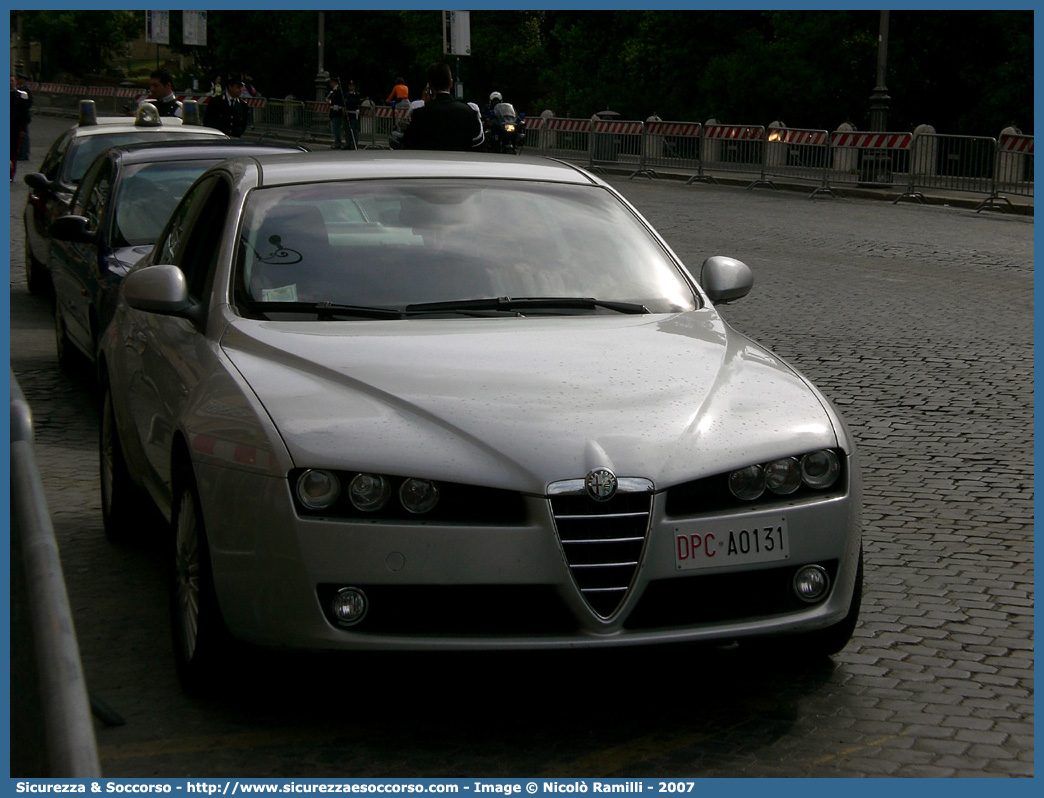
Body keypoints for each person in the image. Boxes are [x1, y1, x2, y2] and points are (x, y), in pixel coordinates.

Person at [400, 63, 484, 152]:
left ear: (430, 86)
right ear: (451, 83)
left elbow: (408, 142)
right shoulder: (470, 111)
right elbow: (479, 145)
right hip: (461, 164)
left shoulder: (419, 111)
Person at [11, 76, 30, 182]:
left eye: (12, 80)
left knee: (13, 151)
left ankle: (10, 173)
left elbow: (24, 113)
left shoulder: (21, 95)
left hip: (15, 127)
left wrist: (23, 128)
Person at [327, 77, 347, 149]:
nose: (330, 84)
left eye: (331, 82)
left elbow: (338, 101)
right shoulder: (333, 91)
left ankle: (338, 142)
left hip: (337, 111)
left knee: (337, 128)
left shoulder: (338, 90)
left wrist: (330, 102)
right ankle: (337, 141)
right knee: (335, 128)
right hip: (334, 111)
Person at [15, 71, 32, 159]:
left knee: (23, 135)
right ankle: (22, 153)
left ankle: (23, 154)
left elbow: (26, 105)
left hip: (24, 115)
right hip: (22, 115)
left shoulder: (25, 90)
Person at [343, 79, 362, 150]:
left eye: (352, 86)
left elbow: (356, 103)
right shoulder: (346, 95)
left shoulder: (357, 94)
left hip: (354, 114)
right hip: (348, 114)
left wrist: (349, 102)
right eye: (350, 86)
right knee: (347, 130)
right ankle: (348, 143)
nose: (351, 87)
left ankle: (354, 143)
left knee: (354, 129)